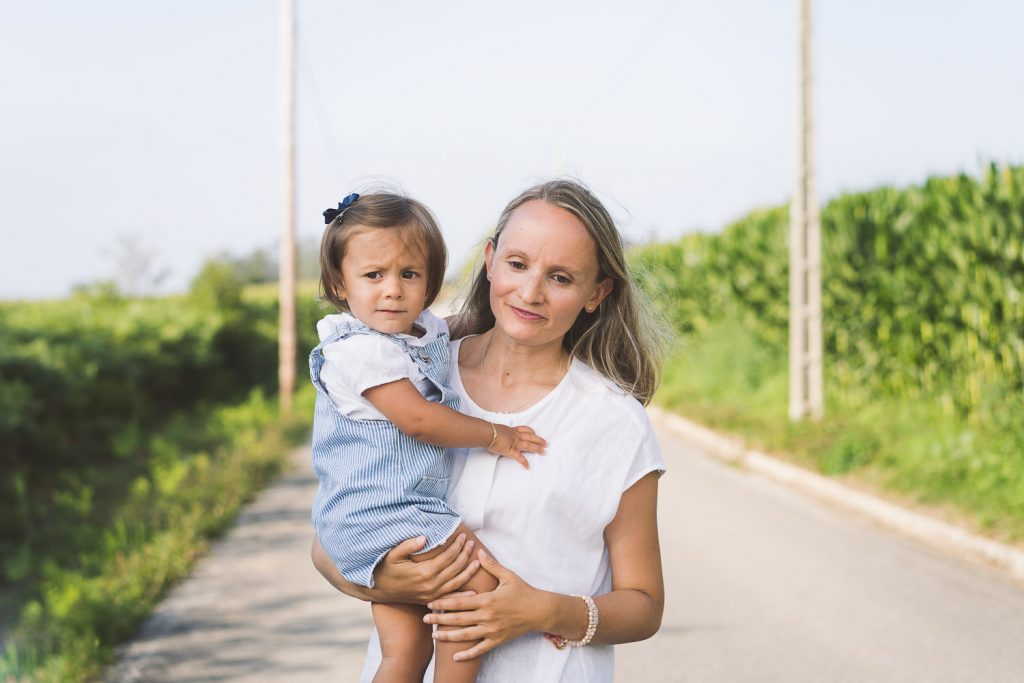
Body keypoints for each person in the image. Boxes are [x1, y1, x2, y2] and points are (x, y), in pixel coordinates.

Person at [312, 179, 667, 682]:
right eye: (518, 265)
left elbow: (644, 606)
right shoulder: (413, 373)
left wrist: (546, 610)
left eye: (561, 278)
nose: (531, 292)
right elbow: (332, 533)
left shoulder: (614, 421)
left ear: (597, 293)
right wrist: (379, 581)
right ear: (490, 260)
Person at [309, 191, 547, 683]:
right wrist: (493, 435)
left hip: (379, 514)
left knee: (405, 650)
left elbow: (454, 329)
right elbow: (417, 420)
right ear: (339, 283)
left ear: (430, 281)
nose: (393, 290)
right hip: (387, 512)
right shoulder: (360, 351)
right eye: (373, 276)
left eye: (409, 275)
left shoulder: (419, 331)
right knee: (477, 589)